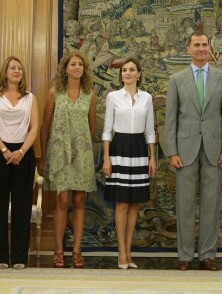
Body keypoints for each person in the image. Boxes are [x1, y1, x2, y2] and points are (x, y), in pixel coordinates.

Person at [165, 32, 222, 271]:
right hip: (184, 150)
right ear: (189, 48)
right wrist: (171, 151)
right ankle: (185, 256)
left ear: (209, 48)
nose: (201, 48)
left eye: (205, 44)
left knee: (211, 203)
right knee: (184, 203)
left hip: (215, 150)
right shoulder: (176, 79)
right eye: (197, 45)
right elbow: (171, 119)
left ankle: (207, 255)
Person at [40, 51, 96, 268]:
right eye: (73, 64)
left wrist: (80, 146)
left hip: (82, 156)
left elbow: (91, 128)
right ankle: (58, 250)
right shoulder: (55, 93)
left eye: (80, 64)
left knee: (79, 201)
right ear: (65, 69)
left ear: (84, 70)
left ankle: (77, 251)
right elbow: (45, 127)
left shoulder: (90, 94)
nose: (77, 67)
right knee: (62, 202)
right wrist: (44, 157)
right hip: (59, 155)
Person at [102, 57, 156, 269]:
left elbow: (150, 131)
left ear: (139, 74)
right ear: (121, 74)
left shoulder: (147, 98)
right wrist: (106, 158)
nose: (127, 73)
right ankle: (121, 253)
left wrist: (152, 157)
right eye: (124, 70)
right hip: (119, 148)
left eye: (131, 70)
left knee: (134, 202)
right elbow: (107, 130)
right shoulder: (113, 97)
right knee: (121, 202)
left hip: (139, 149)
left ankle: (129, 251)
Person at [0, 56, 38, 269]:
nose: (17, 71)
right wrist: (5, 150)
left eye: (20, 68)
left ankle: (20, 257)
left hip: (24, 155)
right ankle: (1, 257)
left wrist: (21, 152)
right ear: (5, 72)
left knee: (21, 207)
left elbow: (34, 127)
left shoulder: (30, 98)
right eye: (13, 68)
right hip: (1, 154)